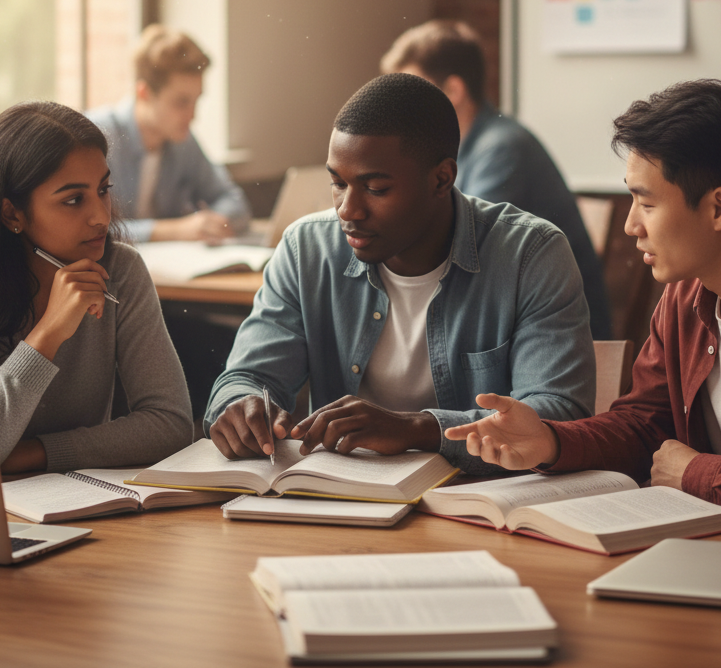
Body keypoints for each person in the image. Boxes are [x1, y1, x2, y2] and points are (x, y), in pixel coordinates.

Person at [445, 79, 721, 534]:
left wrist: (692, 473)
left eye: (645, 203)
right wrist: (549, 441)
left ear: (718, 209)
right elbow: (642, 427)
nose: (631, 225)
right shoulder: (684, 294)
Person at [206, 73, 595, 473]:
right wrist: (241, 403)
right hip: (340, 502)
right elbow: (248, 377)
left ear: (441, 179)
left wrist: (417, 429)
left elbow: (557, 416)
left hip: (476, 502)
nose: (347, 210)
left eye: (375, 188)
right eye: (338, 184)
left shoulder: (531, 255)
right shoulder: (306, 249)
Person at [0, 102, 193, 474]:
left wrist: (35, 453)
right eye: (73, 200)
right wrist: (47, 335)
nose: (102, 216)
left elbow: (170, 424)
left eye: (103, 189)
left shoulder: (120, 270)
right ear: (12, 214)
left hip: (88, 508)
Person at [381, 20, 612, 340]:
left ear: (453, 91)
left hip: (555, 337)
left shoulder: (503, 150)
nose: (399, 109)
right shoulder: (463, 146)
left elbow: (460, 252)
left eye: (412, 92)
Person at [87, 24, 251, 244]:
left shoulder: (183, 141)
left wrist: (216, 222)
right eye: (181, 102)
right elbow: (89, 228)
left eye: (196, 100)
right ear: (144, 93)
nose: (193, 116)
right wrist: (171, 231)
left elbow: (232, 200)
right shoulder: (96, 138)